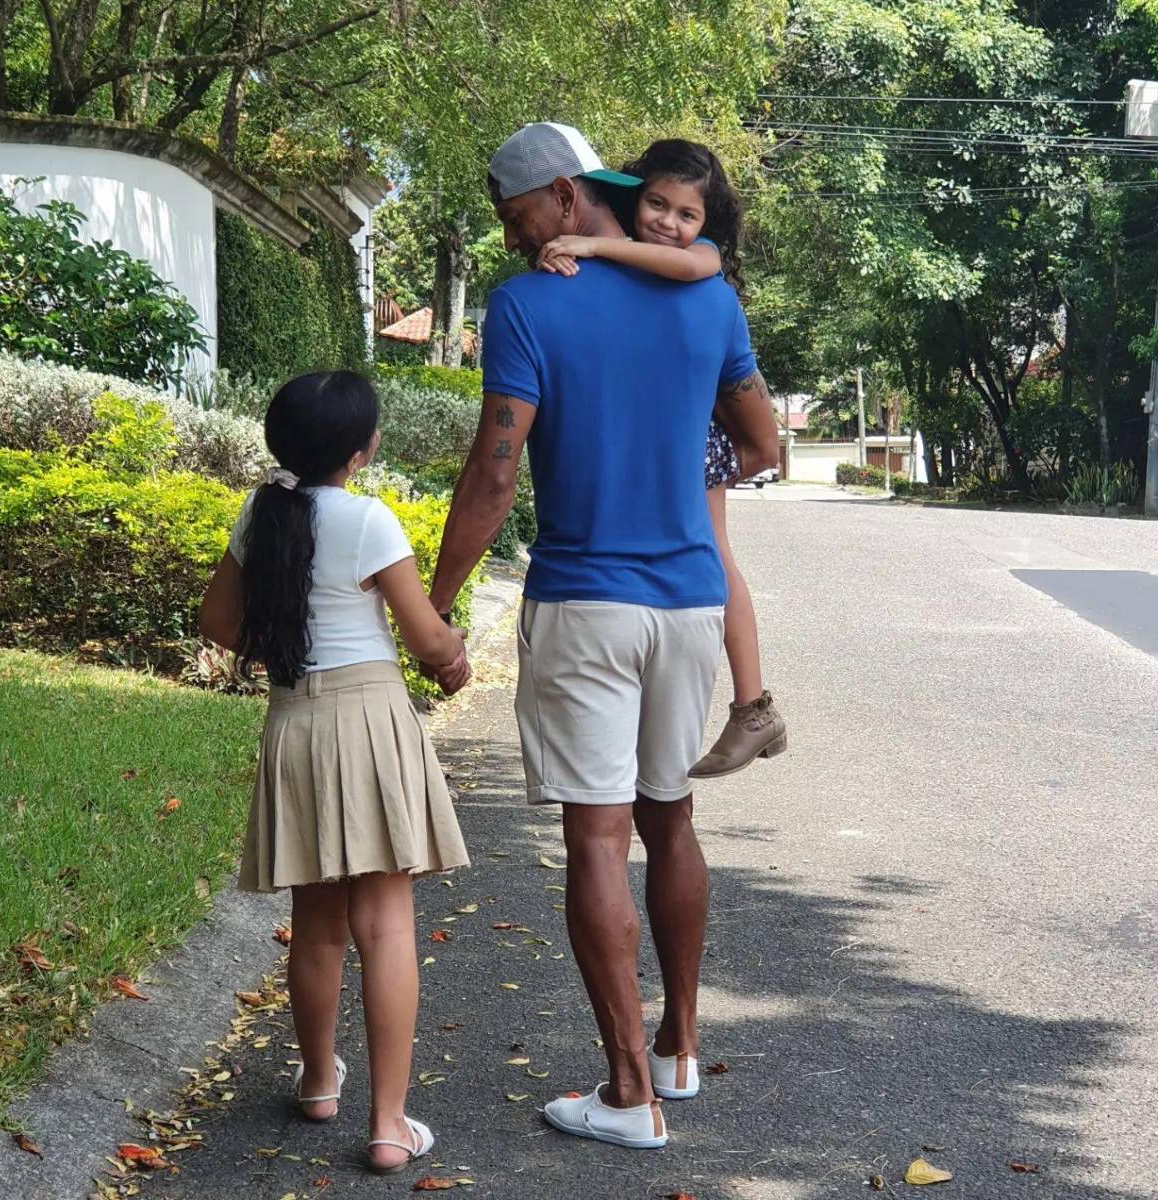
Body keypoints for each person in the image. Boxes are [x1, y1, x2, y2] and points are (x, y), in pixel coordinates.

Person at [426, 123, 781, 1149]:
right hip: (687, 606)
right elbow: (761, 444)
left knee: (595, 838)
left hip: (586, 602)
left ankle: (630, 1095)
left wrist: (442, 600)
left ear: (564, 193)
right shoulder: (707, 298)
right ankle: (677, 1045)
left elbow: (496, 471)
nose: (509, 236)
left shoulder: (529, 302)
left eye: (515, 215)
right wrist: (675, 468)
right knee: (667, 818)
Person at [198, 371, 470, 1174]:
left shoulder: (261, 513)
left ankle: (320, 1082)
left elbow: (216, 619)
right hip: (369, 722)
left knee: (316, 923)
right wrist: (453, 658)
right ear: (364, 449)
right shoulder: (368, 519)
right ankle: (388, 1125)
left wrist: (284, 645)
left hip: (295, 722)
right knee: (384, 922)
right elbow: (424, 636)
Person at [536, 138, 786, 777]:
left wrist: (592, 245)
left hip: (689, 440)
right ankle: (752, 707)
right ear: (633, 195)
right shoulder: (632, 273)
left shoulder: (700, 264)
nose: (668, 224)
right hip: (668, 440)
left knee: (717, 553)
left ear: (708, 225)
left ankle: (754, 705)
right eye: (656, 204)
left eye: (686, 214)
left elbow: (690, 269)